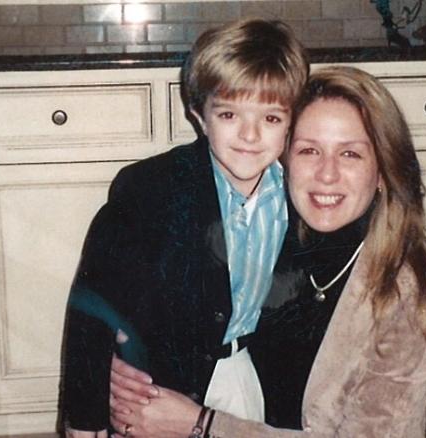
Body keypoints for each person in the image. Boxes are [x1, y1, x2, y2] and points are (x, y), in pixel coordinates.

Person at [107, 66, 426, 438]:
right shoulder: (259, 230)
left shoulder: (414, 299)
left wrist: (200, 425)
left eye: (350, 154)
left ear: (384, 171)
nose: (326, 174)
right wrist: (122, 367)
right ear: (284, 158)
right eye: (309, 150)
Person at [59, 18, 309, 437]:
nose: (249, 135)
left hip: (247, 372)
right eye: (229, 113)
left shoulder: (300, 196)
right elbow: (92, 309)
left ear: (290, 123)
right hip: (160, 382)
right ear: (199, 114)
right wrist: (84, 421)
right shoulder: (150, 190)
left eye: (270, 118)